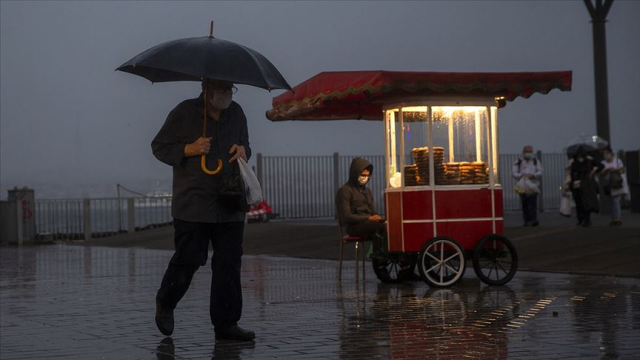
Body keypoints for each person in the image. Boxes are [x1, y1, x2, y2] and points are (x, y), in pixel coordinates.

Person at [152, 79, 255, 341]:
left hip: (230, 202)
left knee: (229, 263)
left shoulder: (238, 114)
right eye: (220, 89)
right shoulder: (183, 112)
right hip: (194, 204)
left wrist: (244, 150)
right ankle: (166, 301)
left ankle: (227, 323)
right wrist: (190, 148)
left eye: (230, 89)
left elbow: (246, 146)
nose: (226, 94)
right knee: (189, 258)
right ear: (206, 89)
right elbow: (159, 147)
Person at [336, 158, 385, 242]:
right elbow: (346, 217)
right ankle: (381, 253)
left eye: (367, 176)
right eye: (363, 175)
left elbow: (373, 212)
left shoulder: (367, 191)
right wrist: (368, 218)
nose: (365, 178)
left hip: (368, 223)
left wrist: (380, 218)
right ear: (355, 174)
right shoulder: (345, 191)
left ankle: (386, 251)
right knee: (379, 228)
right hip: (354, 227)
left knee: (388, 226)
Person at [569, 147, 603, 227]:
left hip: (587, 185)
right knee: (578, 203)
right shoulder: (574, 164)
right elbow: (572, 174)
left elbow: (601, 165)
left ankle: (586, 220)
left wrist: (593, 172)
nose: (580, 158)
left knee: (586, 202)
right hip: (577, 184)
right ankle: (580, 219)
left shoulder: (589, 161)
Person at [512, 145, 543, 226]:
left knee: (533, 203)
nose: (528, 154)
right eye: (526, 152)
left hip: (533, 185)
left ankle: (533, 220)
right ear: (523, 152)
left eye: (530, 152)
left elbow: (540, 171)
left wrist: (533, 175)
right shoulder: (518, 161)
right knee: (524, 203)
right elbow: (514, 173)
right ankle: (526, 220)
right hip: (522, 185)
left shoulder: (536, 161)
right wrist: (521, 176)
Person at [600, 147, 628, 226]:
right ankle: (614, 219)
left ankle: (618, 218)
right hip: (608, 184)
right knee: (611, 202)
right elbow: (601, 174)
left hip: (616, 183)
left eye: (606, 153)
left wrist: (614, 170)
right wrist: (606, 170)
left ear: (610, 153)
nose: (605, 155)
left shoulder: (617, 161)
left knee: (616, 201)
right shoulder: (603, 163)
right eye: (604, 154)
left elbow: (622, 170)